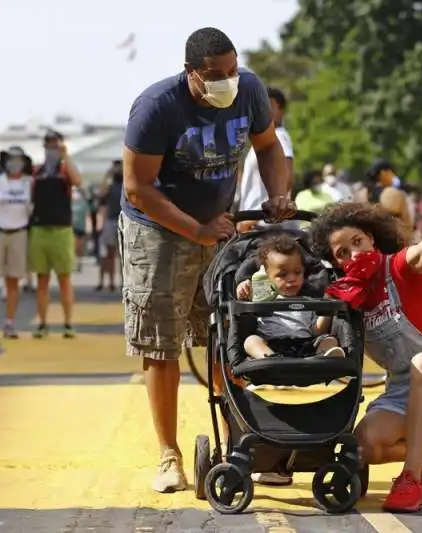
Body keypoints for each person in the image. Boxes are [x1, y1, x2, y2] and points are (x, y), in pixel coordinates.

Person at [121, 26, 295, 493]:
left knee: (226, 334)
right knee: (163, 343)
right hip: (156, 231)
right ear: (191, 74)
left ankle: (242, 441)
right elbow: (138, 188)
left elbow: (268, 147)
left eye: (233, 71)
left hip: (216, 227)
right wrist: (193, 230)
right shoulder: (158, 107)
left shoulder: (250, 91)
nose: (227, 81)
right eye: (215, 75)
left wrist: (278, 195)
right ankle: (169, 455)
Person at [309, 183, 422, 513]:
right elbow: (321, 336)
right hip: (400, 394)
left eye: (357, 242)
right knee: (364, 447)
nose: (354, 254)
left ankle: (410, 478)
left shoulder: (401, 268)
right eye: (342, 253)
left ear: (372, 239)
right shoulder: (348, 297)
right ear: (334, 263)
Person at [234, 235, 344, 360]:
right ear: (266, 276)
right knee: (251, 341)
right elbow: (243, 303)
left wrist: (327, 308)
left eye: (297, 272)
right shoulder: (261, 297)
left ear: (304, 272)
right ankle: (271, 359)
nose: (292, 279)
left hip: (306, 345)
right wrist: (242, 288)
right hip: (272, 345)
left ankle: (320, 357)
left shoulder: (310, 300)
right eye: (282, 275)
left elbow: (317, 331)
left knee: (330, 340)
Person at [29, 129, 83, 339]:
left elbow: (77, 181)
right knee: (41, 279)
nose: (51, 148)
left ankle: (68, 322)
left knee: (64, 278)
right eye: (48, 144)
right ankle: (42, 323)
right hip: (39, 229)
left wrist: (65, 155)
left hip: (61, 229)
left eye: (55, 144)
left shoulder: (64, 170)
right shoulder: (37, 171)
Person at [0, 146, 33, 338]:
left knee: (13, 281)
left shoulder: (28, 183)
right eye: (11, 159)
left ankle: (9, 323)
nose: (14, 163)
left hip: (19, 232)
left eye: (18, 159)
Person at [236, 87, 294, 231]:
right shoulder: (261, 142)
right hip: (256, 223)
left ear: (280, 111)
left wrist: (253, 219)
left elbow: (286, 178)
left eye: (269, 105)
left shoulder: (279, 137)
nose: (262, 110)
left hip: (266, 225)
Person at [363, 159, 413, 243]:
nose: (393, 176)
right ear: (383, 173)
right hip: (394, 242)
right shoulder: (391, 193)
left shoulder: (366, 192)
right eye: (392, 172)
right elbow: (391, 219)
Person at [97, 162, 123, 291]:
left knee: (126, 256)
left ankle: (125, 282)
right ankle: (111, 282)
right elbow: (101, 193)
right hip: (112, 221)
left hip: (125, 221)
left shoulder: (127, 184)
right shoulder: (110, 186)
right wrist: (108, 174)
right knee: (110, 254)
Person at [71, 186, 89, 272]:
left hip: (81, 227)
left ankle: (79, 263)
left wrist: (88, 227)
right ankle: (73, 263)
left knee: (79, 247)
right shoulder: (69, 202)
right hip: (71, 227)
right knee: (73, 246)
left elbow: (86, 215)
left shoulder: (83, 203)